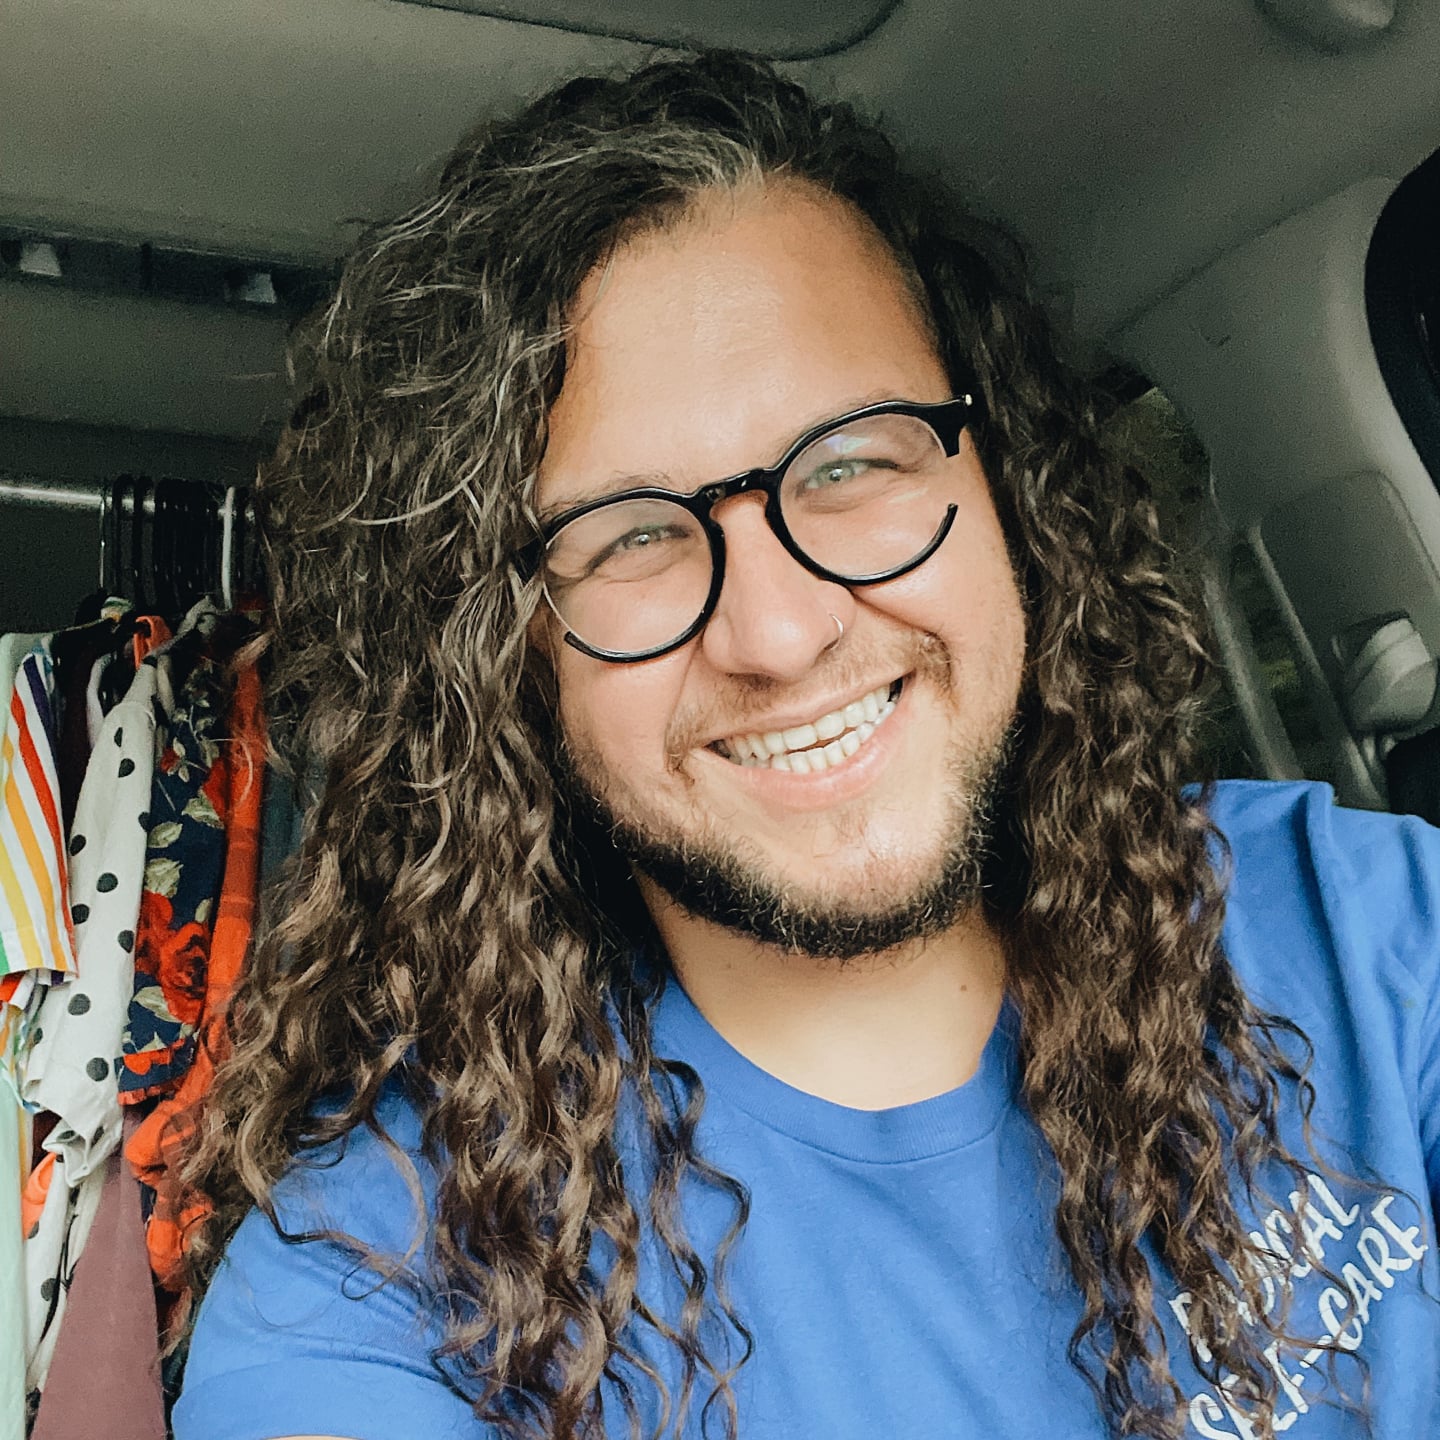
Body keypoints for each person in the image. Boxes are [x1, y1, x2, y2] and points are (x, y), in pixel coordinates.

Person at [172, 51, 1440, 1440]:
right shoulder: (379, 1285)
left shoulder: (1367, 930)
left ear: (1007, 485)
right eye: (631, 537)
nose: (777, 634)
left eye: (847, 462)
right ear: (503, 653)